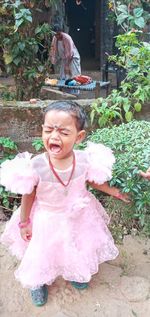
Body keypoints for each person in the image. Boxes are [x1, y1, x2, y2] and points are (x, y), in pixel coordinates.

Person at [0, 101, 129, 307]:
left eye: (63, 132)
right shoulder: (36, 165)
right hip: (46, 218)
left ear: (79, 137)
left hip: (79, 215)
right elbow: (28, 195)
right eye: (48, 129)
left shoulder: (85, 160)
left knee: (76, 245)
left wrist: (113, 191)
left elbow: (93, 181)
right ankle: (38, 281)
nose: (54, 136)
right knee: (43, 251)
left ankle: (75, 271)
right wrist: (24, 222)